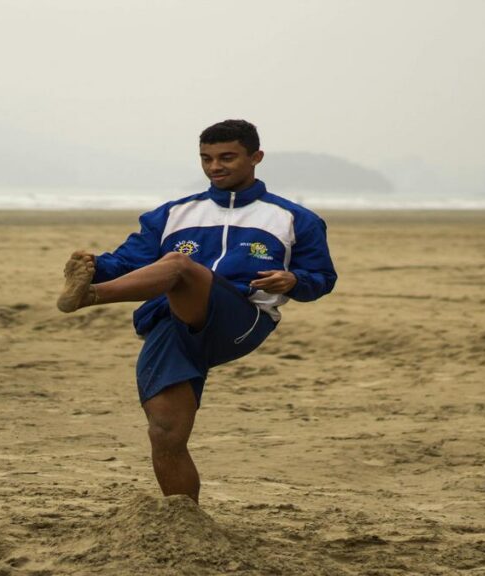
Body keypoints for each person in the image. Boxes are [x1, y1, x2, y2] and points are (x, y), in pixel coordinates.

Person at [56, 119, 337, 502]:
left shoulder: (293, 219)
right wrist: (94, 265)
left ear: (256, 157)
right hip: (171, 323)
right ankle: (184, 521)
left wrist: (293, 282)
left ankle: (91, 297)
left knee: (177, 267)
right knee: (165, 433)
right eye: (206, 159)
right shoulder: (173, 214)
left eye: (226, 157)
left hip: (240, 317)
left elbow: (321, 277)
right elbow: (129, 261)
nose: (215, 167)